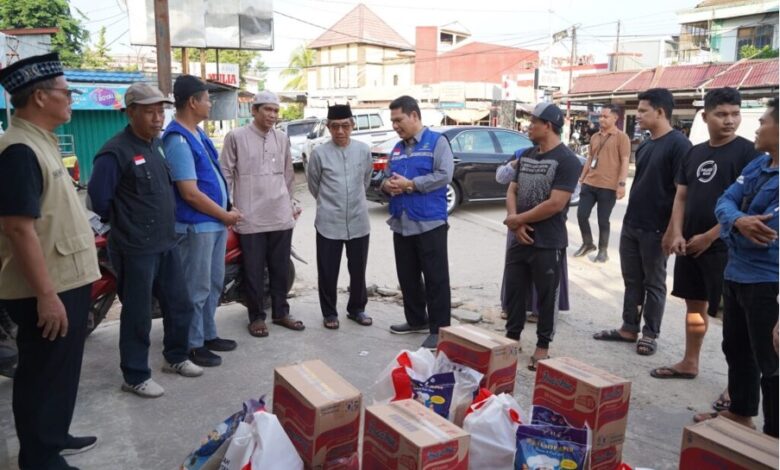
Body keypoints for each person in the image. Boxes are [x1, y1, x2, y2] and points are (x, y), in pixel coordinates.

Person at [0, 52, 100, 469]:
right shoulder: (18, 149)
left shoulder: (40, 141)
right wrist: (45, 296)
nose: (70, 100)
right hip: (48, 287)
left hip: (67, 278)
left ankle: (54, 436)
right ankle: (40, 458)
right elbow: (18, 228)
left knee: (60, 370)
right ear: (40, 98)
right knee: (42, 373)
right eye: (65, 93)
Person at [88, 82, 203, 399]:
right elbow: (98, 201)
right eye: (150, 111)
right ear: (131, 112)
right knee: (138, 314)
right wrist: (125, 228)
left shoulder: (157, 145)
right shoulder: (115, 152)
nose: (157, 118)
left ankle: (176, 357)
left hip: (166, 243)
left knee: (179, 304)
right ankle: (135, 375)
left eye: (160, 111)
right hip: (135, 248)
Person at [651, 88, 760, 381]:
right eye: (721, 114)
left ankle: (736, 386)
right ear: (705, 116)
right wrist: (675, 232)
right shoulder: (694, 152)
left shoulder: (750, 153)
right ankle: (690, 361)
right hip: (689, 245)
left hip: (726, 248)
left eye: (735, 114)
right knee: (694, 306)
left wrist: (711, 236)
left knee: (734, 319)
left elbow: (746, 206)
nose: (729, 120)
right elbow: (681, 197)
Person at [697, 97, 778, 436]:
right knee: (736, 346)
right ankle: (741, 411)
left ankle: (774, 435)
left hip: (768, 282)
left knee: (771, 362)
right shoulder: (758, 165)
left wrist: (737, 224)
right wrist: (739, 221)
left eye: (763, 121)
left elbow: (768, 232)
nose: (756, 127)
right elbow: (724, 201)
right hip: (736, 273)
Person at [593, 88, 692, 356]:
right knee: (632, 280)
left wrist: (673, 231)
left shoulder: (680, 146)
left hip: (657, 229)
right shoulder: (646, 144)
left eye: (643, 111)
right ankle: (628, 327)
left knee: (654, 283)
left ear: (660, 112)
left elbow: (682, 194)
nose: (638, 116)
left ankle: (650, 334)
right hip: (632, 224)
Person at [162, 75, 241, 368]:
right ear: (193, 102)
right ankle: (192, 344)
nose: (211, 104)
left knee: (212, 284)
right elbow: (190, 193)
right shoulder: (178, 139)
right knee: (196, 289)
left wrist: (227, 209)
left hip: (213, 225)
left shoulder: (197, 133)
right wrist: (225, 215)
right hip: (197, 226)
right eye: (207, 98)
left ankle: (207, 334)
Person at [503, 102, 581, 370]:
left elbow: (555, 204)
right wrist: (515, 224)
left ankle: (542, 347)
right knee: (514, 293)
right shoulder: (526, 154)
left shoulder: (568, 161)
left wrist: (517, 220)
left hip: (548, 241)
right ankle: (511, 340)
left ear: (548, 125)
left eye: (533, 122)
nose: (528, 126)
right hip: (519, 237)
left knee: (547, 297)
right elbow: (512, 190)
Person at [220, 90, 304, 338]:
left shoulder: (281, 138)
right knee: (253, 271)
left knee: (279, 268)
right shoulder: (236, 136)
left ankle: (280, 312)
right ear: (253, 111)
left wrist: (290, 203)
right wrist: (228, 206)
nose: (272, 115)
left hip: (280, 215)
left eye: (276, 110)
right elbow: (225, 173)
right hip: (249, 216)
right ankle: (256, 317)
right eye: (267, 109)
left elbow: (289, 174)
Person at [380, 95, 454, 349]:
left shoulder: (437, 142)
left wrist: (411, 185)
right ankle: (416, 320)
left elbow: (444, 176)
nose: (395, 125)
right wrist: (387, 185)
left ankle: (439, 328)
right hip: (401, 222)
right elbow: (386, 177)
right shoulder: (398, 149)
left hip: (430, 223)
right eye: (392, 121)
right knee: (408, 276)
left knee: (435, 278)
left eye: (398, 119)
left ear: (414, 116)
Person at [306, 104, 373, 329]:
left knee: (358, 269)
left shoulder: (363, 151)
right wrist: (330, 204)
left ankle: (357, 309)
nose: (340, 131)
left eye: (345, 125)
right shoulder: (319, 154)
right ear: (328, 127)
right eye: (335, 126)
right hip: (329, 222)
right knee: (327, 270)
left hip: (358, 220)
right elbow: (314, 185)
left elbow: (365, 180)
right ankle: (329, 313)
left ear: (352, 125)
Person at [496, 157, 570, 322]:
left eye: (532, 128)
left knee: (545, 273)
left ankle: (540, 313)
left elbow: (561, 199)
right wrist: (516, 221)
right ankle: (512, 310)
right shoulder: (524, 154)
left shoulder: (565, 159)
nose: (529, 130)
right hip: (517, 224)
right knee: (516, 271)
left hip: (547, 226)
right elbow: (505, 182)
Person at [574, 104, 631, 262]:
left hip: (608, 186)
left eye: (605, 116)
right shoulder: (595, 137)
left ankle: (603, 250)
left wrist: (621, 184)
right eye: (600, 116)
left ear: (615, 118)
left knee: (602, 220)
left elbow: (625, 160)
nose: (601, 119)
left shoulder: (622, 137)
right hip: (590, 183)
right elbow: (590, 159)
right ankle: (587, 243)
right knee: (581, 215)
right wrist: (582, 177)